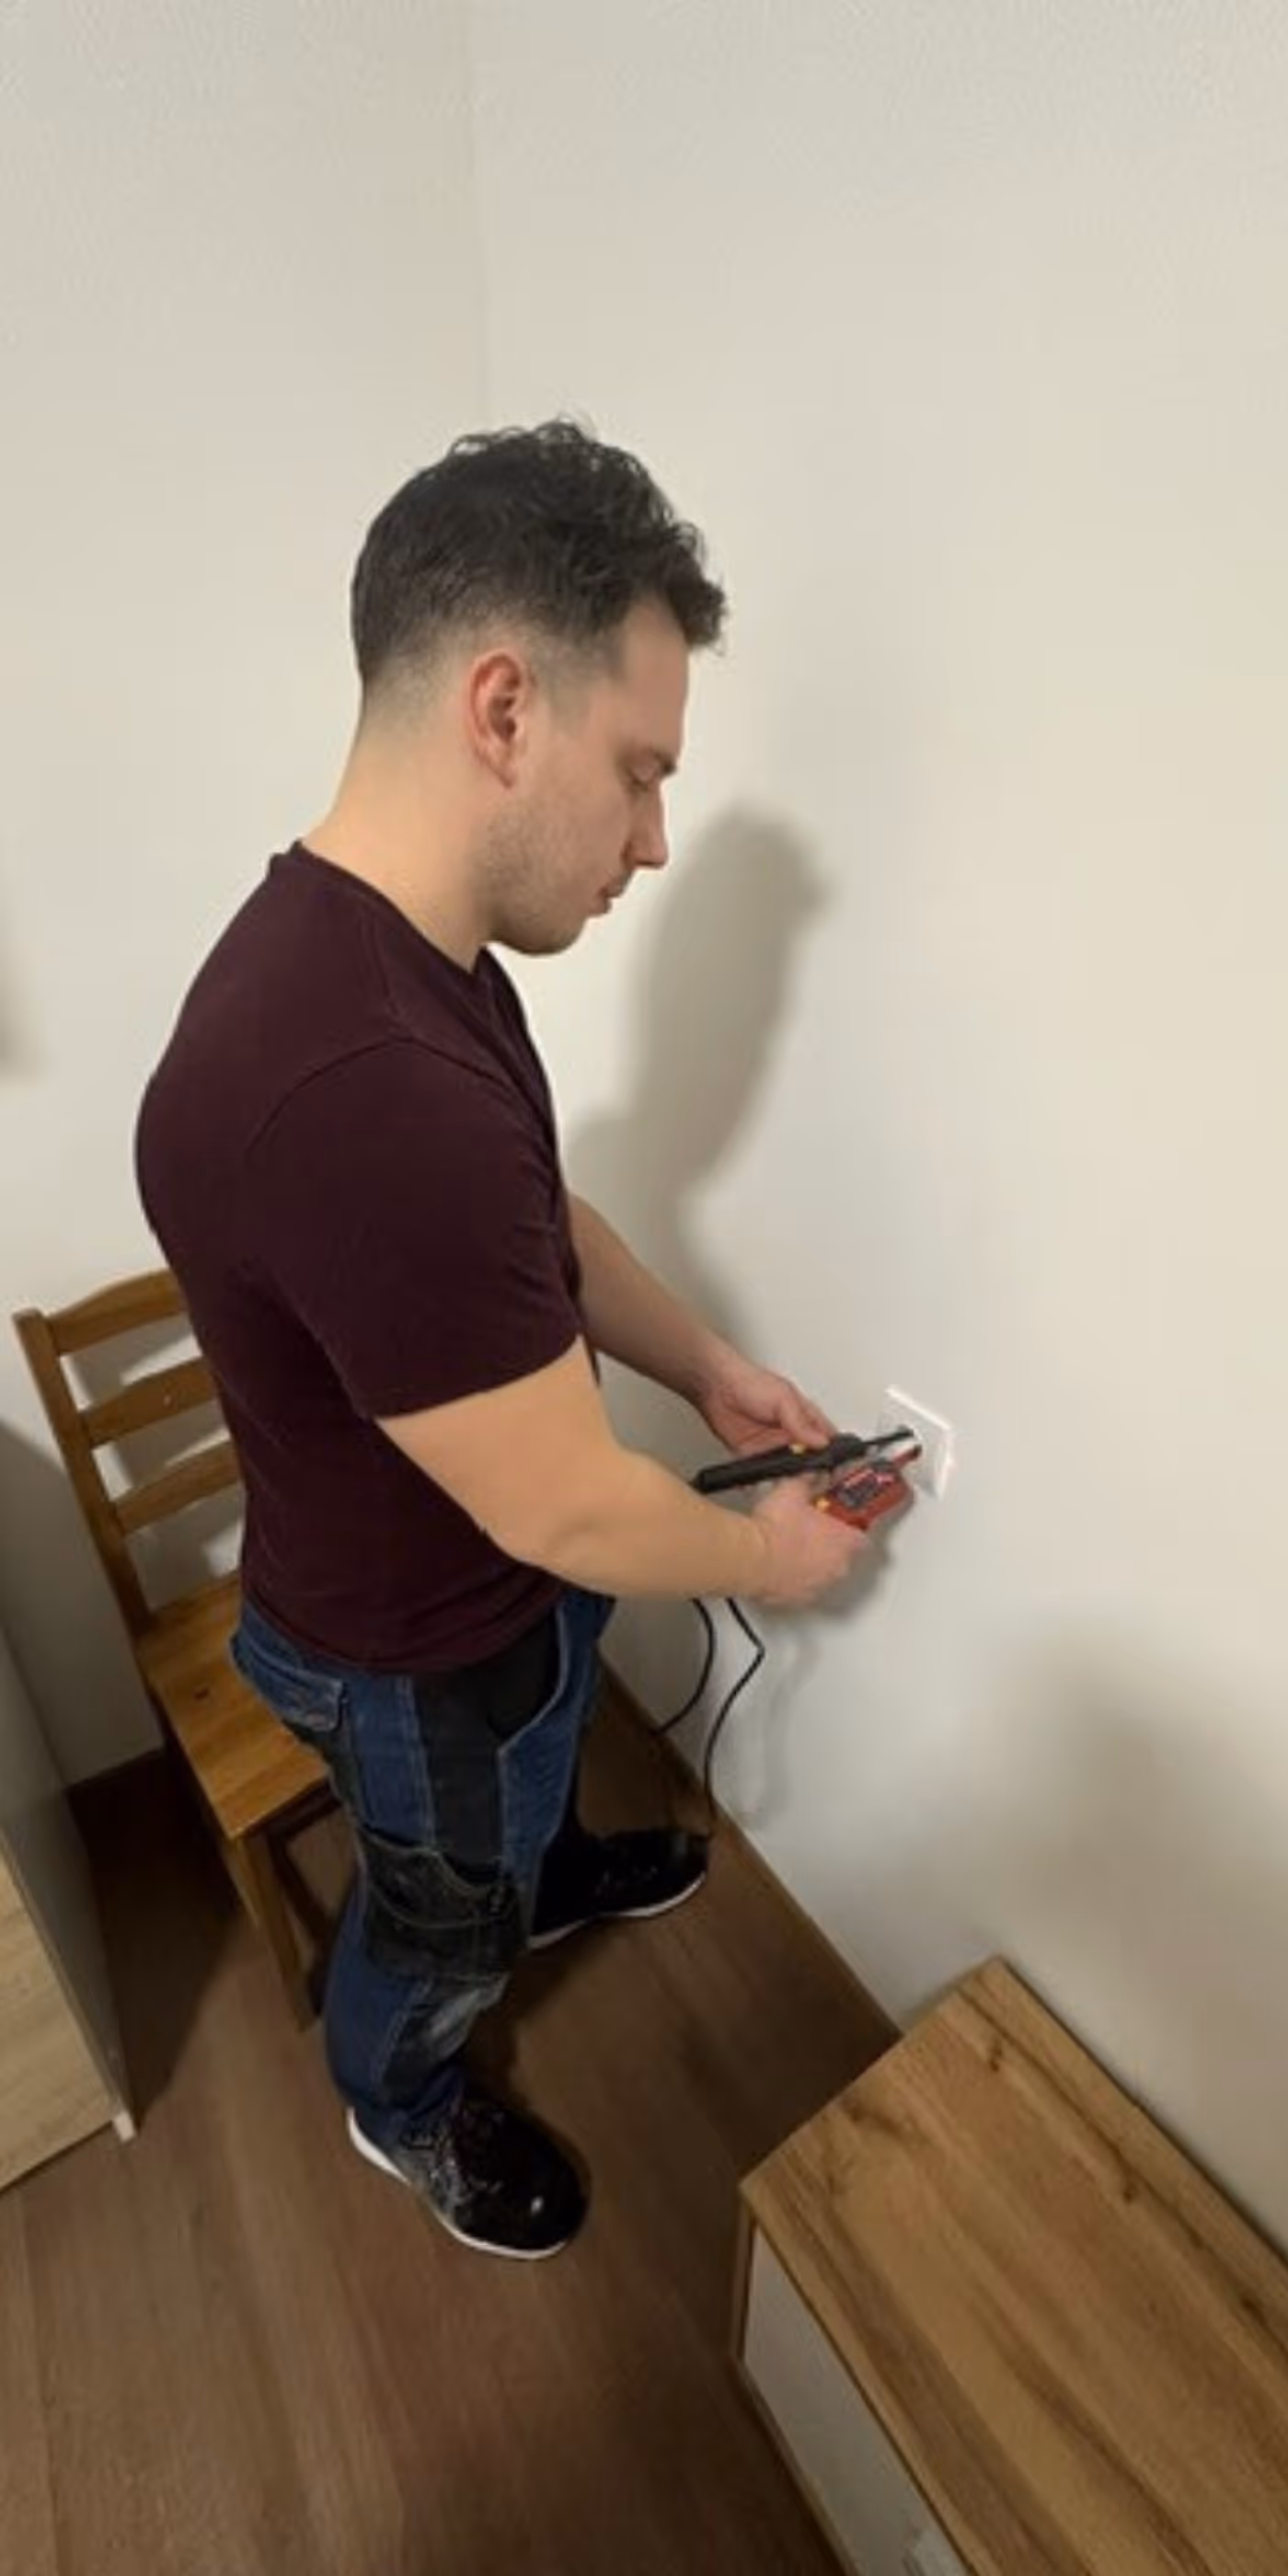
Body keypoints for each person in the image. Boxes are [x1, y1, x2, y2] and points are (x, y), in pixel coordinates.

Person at [135, 422, 867, 2261]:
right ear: (502, 708)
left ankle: (537, 1868)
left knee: (522, 1797)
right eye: (639, 774)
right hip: (407, 1657)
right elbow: (570, 1512)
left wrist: (706, 1369)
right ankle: (398, 2095)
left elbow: (546, 1219)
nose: (651, 840)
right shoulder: (361, 1084)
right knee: (433, 1920)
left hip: (491, 1609)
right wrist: (773, 1557)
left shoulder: (408, 959)